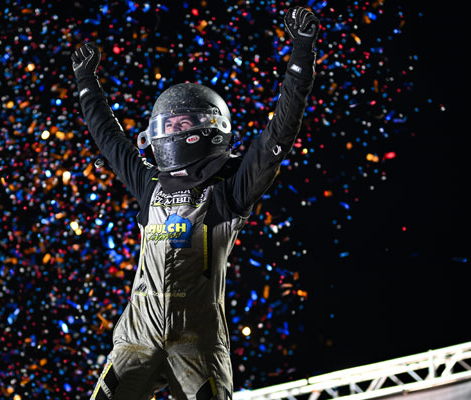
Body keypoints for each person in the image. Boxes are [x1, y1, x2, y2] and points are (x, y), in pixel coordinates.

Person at [71, 6, 320, 400]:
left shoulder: (228, 190)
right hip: (136, 338)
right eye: (166, 125)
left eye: (181, 124)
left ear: (207, 128)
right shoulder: (149, 183)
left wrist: (301, 56)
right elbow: (109, 139)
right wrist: (87, 83)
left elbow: (279, 135)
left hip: (196, 342)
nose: (171, 131)